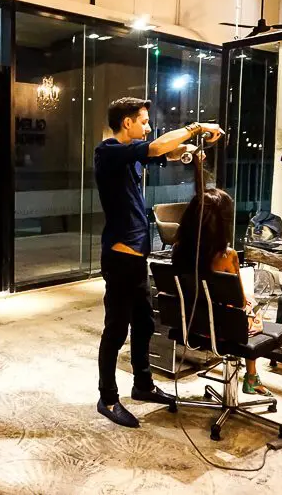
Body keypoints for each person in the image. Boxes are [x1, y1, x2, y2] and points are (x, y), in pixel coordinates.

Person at [93, 97, 222, 428]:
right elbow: (156, 147)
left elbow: (164, 152)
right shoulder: (109, 151)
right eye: (144, 121)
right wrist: (197, 127)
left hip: (137, 257)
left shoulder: (130, 158)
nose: (147, 127)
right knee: (115, 329)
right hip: (120, 257)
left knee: (145, 324)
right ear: (127, 122)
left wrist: (189, 152)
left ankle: (143, 385)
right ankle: (107, 398)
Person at [172, 188, 272, 395]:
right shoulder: (228, 256)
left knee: (240, 310)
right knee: (251, 308)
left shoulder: (178, 249)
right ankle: (251, 377)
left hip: (191, 325)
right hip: (224, 329)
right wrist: (254, 312)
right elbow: (239, 301)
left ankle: (251, 376)